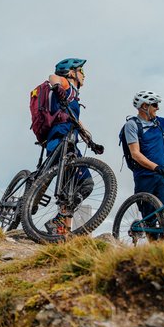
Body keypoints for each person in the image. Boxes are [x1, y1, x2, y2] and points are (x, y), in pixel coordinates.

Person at [44, 58, 96, 235]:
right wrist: (58, 86)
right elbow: (53, 77)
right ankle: (58, 220)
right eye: (82, 71)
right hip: (60, 140)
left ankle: (63, 231)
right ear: (72, 72)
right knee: (86, 184)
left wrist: (89, 140)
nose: (84, 76)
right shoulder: (66, 84)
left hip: (69, 141)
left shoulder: (73, 96)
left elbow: (74, 118)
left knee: (70, 190)